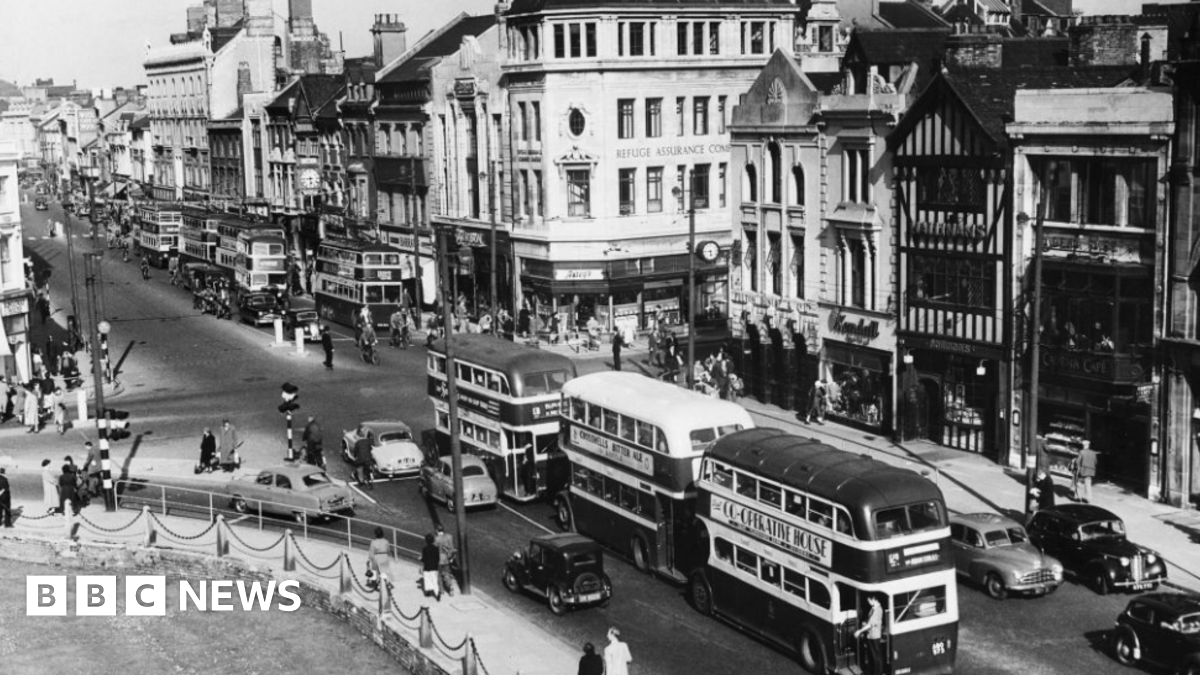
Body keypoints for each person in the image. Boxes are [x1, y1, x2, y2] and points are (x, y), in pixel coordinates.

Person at [854, 595, 885, 675]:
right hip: (870, 635)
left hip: (875, 635)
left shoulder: (878, 610)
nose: (868, 602)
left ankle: (878, 672)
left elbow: (871, 624)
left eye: (869, 601)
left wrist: (859, 631)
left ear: (873, 599)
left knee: (876, 656)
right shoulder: (873, 608)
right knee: (871, 655)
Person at [434, 524, 457, 597]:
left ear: (436, 530)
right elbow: (451, 548)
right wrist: (451, 557)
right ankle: (450, 586)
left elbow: (435, 549)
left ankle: (441, 590)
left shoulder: (436, 538)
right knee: (447, 573)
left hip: (439, 559)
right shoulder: (449, 536)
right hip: (447, 558)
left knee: (439, 575)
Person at [366, 526, 391, 590]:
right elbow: (388, 550)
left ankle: (378, 583)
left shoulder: (373, 542)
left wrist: (369, 560)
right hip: (385, 557)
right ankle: (385, 582)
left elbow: (371, 552)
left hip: (377, 558)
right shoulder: (386, 541)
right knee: (384, 571)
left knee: (376, 570)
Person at [421, 533, 441, 601]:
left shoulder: (425, 549)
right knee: (434, 580)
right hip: (434, 567)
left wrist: (421, 559)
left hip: (427, 567)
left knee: (427, 579)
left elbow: (424, 559)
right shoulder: (436, 548)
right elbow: (438, 559)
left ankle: (428, 592)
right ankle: (437, 592)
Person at [353, 425, 374, 490]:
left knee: (359, 469)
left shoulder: (357, 443)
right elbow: (370, 449)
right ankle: (370, 474)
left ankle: (361, 481)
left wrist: (355, 456)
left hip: (360, 459)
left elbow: (355, 452)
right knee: (369, 465)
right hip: (368, 459)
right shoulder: (368, 442)